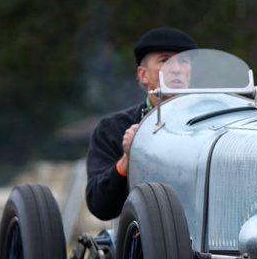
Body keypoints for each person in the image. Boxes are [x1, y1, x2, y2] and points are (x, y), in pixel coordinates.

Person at [85, 27, 198, 220]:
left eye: (184, 61)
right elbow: (100, 206)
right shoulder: (113, 129)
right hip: (142, 240)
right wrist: (129, 159)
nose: (177, 68)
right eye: (165, 60)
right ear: (143, 74)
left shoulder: (211, 123)